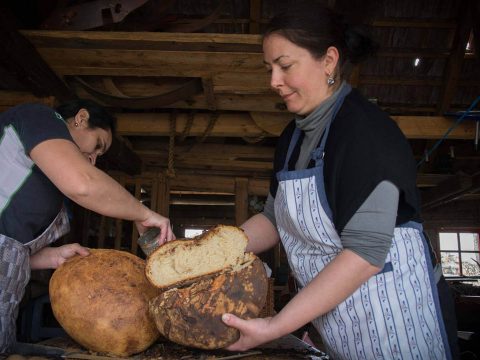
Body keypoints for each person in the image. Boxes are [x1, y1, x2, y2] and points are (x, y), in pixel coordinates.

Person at [221, 2, 459, 359]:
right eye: (269, 68)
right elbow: (273, 219)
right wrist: (213, 252)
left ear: (329, 61)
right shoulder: (291, 138)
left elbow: (365, 254)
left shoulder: (367, 133)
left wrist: (273, 327)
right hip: (337, 322)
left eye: (285, 66)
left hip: (396, 321)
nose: (273, 81)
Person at [0, 99, 175, 352]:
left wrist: (50, 256)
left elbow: (9, 247)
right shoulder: (39, 117)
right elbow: (83, 184)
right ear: (81, 118)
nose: (92, 160)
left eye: (98, 156)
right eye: (97, 146)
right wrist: (143, 214)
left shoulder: (42, 184)